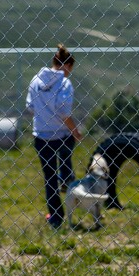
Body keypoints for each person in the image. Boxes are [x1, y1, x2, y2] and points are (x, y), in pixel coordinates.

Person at [26, 44, 83, 228]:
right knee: (65, 161)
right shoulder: (65, 83)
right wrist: (75, 130)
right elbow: (63, 110)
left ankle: (56, 218)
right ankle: (67, 180)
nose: (70, 73)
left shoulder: (35, 80)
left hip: (42, 136)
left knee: (49, 177)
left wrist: (45, 113)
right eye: (71, 69)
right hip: (62, 135)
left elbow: (31, 107)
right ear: (67, 65)